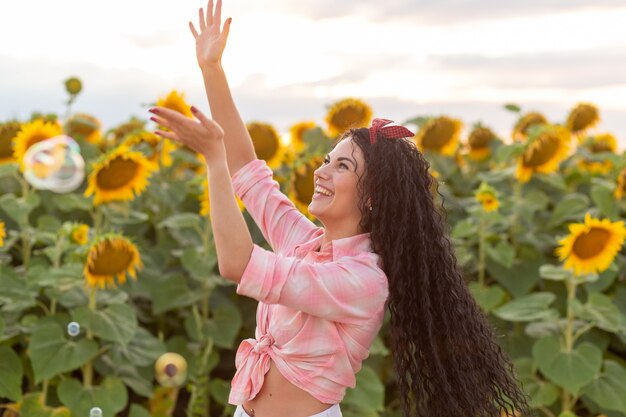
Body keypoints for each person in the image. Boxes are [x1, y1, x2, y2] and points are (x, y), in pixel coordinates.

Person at [148, 1, 535, 417]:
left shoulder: (363, 280)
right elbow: (248, 170)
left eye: (343, 165)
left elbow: (237, 264)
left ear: (371, 197)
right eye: (327, 159)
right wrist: (212, 70)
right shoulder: (304, 243)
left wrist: (212, 157)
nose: (322, 171)